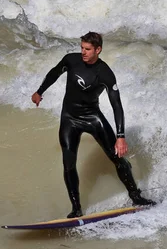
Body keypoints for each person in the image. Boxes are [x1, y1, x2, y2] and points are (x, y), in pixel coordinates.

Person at [31, 32, 156, 218]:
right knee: (68, 165)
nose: (83, 52)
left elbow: (116, 105)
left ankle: (136, 197)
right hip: (69, 118)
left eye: (87, 49)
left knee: (118, 157)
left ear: (98, 49)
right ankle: (76, 208)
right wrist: (40, 91)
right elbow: (54, 73)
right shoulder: (71, 60)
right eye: (82, 48)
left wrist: (120, 137)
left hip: (92, 117)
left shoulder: (105, 73)